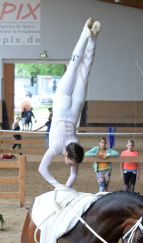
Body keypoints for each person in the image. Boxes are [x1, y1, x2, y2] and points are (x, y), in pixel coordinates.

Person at [38, 17, 101, 188]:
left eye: (72, 163)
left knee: (82, 72)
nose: (71, 165)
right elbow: (42, 169)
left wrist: (65, 189)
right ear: (67, 153)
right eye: (71, 162)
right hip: (62, 106)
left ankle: (92, 37)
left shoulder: (76, 149)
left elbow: (72, 174)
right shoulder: (58, 148)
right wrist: (59, 186)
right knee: (74, 67)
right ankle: (85, 33)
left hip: (74, 110)